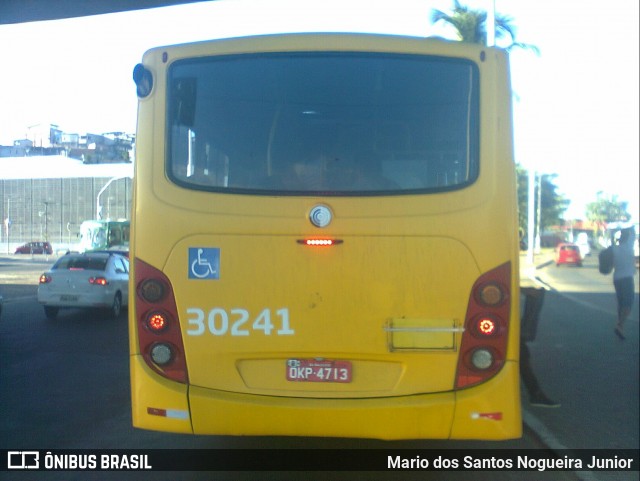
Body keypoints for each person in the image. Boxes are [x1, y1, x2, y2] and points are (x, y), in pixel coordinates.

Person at [520, 287, 560, 408]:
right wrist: (525, 289)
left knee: (522, 355)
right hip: (511, 324)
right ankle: (535, 394)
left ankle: (535, 393)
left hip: (516, 326)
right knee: (522, 356)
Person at [612, 226, 637, 340]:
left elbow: (611, 235)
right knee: (628, 303)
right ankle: (620, 325)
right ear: (627, 238)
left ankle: (620, 326)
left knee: (621, 302)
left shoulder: (615, 248)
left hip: (617, 278)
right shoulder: (629, 246)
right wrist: (629, 226)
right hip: (627, 278)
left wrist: (616, 229)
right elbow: (633, 233)